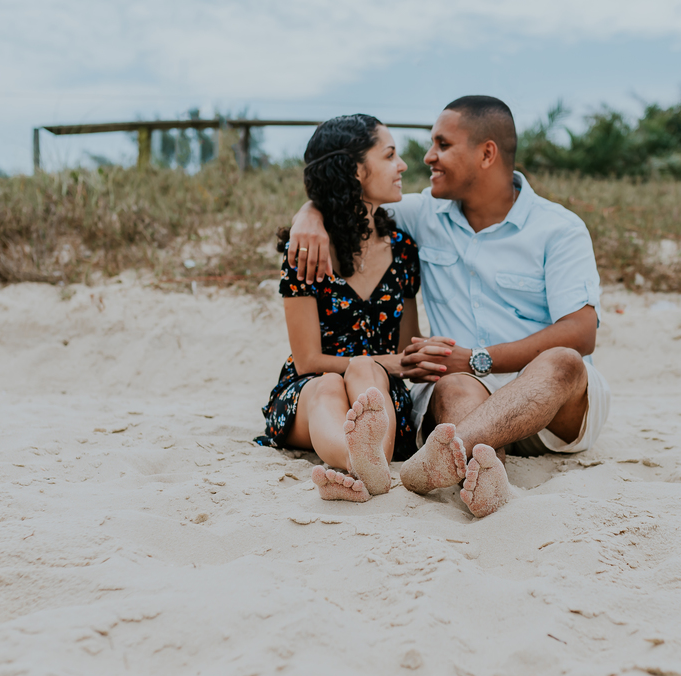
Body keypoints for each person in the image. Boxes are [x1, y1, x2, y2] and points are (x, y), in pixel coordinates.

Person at [286, 96, 611, 518]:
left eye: (442, 144)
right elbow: (347, 194)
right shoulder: (424, 214)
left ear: (486, 153)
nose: (427, 157)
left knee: (565, 361)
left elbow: (583, 331)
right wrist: (309, 215)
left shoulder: (558, 228)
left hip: (549, 402)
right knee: (453, 385)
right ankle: (482, 469)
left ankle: (443, 456)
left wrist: (479, 359)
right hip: (463, 392)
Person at [254, 114, 439, 502]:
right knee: (331, 384)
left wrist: (378, 367)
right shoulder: (307, 250)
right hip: (309, 390)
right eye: (389, 155)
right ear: (356, 171)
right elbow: (307, 361)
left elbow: (405, 350)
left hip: (381, 391)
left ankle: (366, 463)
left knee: (367, 379)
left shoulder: (403, 251)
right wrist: (371, 364)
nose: (403, 165)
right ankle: (360, 460)